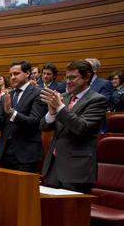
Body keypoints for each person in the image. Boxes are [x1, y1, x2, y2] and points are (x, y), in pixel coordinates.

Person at [40, 60, 107, 193]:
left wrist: (59, 108)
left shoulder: (97, 100)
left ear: (87, 77)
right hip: (53, 165)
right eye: (66, 77)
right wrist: (52, 113)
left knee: (72, 212)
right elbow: (44, 126)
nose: (68, 81)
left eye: (72, 78)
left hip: (76, 169)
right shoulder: (63, 97)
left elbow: (81, 127)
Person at [0, 60, 47, 173]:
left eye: (16, 74)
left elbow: (33, 122)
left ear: (27, 73)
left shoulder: (38, 93)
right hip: (5, 153)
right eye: (11, 75)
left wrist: (11, 112)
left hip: (26, 154)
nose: (12, 77)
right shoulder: (6, 96)